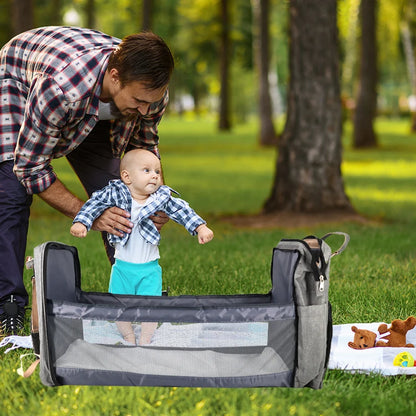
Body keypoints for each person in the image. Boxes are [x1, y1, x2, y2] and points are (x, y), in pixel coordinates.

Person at [0, 26, 175, 335]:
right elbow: (30, 168)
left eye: (152, 102)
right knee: (13, 193)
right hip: (17, 81)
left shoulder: (151, 94)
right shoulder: (60, 88)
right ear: (115, 76)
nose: (146, 110)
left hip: (90, 106)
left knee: (125, 197)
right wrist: (92, 214)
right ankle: (8, 304)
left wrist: (155, 198)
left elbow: (144, 151)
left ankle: (138, 296)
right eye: (139, 101)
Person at [70, 149, 214, 344]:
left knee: (151, 307)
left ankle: (146, 339)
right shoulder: (116, 193)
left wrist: (200, 227)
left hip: (149, 269)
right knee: (118, 307)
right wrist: (82, 222)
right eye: (147, 170)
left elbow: (181, 209)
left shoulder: (160, 197)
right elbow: (94, 203)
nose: (155, 175)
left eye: (157, 171)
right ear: (127, 177)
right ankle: (128, 335)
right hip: (122, 268)